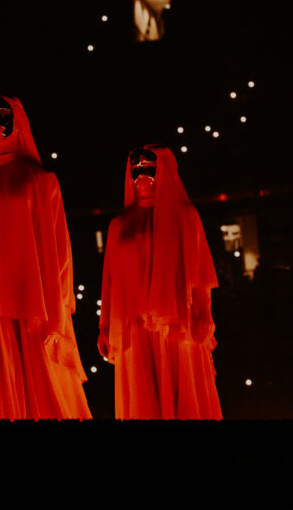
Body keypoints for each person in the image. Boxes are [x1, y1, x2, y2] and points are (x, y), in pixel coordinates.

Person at [0, 95, 91, 420]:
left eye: (1, 113)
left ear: (17, 121)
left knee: (44, 387)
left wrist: (60, 308)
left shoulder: (39, 181)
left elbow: (60, 250)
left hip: (35, 306)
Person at [97, 146, 222, 419]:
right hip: (134, 327)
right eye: (136, 168)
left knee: (182, 388)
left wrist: (203, 311)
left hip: (176, 322)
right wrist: (105, 326)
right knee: (143, 397)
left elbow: (199, 268)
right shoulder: (119, 226)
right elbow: (110, 280)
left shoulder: (184, 217)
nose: (141, 174)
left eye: (148, 167)